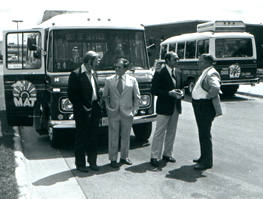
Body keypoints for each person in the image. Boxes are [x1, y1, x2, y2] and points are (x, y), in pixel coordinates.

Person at [103, 58, 140, 168]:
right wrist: (108, 108)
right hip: (113, 112)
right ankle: (113, 159)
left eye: (119, 67)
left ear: (125, 68)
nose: (116, 69)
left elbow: (137, 97)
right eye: (116, 67)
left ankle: (124, 157)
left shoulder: (132, 80)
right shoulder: (109, 80)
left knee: (125, 136)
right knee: (113, 136)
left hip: (127, 113)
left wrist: (134, 111)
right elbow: (105, 96)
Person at [68, 51, 102, 172]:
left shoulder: (94, 73)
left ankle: (92, 162)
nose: (98, 62)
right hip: (82, 111)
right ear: (88, 61)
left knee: (93, 137)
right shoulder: (75, 75)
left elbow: (95, 91)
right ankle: (80, 164)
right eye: (96, 60)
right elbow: (72, 95)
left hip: (94, 109)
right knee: (81, 137)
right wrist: (83, 107)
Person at [150, 52, 184, 167]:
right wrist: (168, 93)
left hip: (175, 107)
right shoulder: (160, 73)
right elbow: (154, 90)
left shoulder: (178, 72)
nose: (177, 61)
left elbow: (182, 86)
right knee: (159, 132)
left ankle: (167, 154)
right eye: (175, 59)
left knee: (172, 132)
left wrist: (181, 92)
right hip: (164, 107)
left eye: (178, 59)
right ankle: (154, 156)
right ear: (168, 60)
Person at [191, 54, 222, 170]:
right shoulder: (206, 71)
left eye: (201, 61)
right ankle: (203, 157)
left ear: (208, 62)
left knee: (204, 134)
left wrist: (207, 97)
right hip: (201, 106)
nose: (198, 63)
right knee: (202, 133)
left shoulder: (211, 73)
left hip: (204, 107)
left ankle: (207, 162)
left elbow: (215, 87)